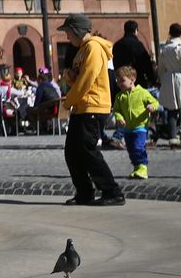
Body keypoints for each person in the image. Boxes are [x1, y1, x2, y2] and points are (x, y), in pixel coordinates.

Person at [58, 13, 124, 206]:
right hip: (83, 106)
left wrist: (68, 100)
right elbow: (80, 76)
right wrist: (70, 76)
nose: (67, 37)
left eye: (68, 32)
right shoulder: (82, 50)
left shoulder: (93, 48)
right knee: (72, 152)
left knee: (87, 150)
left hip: (93, 105)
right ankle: (85, 192)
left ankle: (112, 191)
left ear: (77, 30)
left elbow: (88, 79)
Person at [112, 65, 159, 179]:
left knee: (138, 147)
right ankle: (137, 167)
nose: (119, 83)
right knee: (131, 149)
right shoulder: (119, 97)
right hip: (127, 128)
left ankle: (143, 167)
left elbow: (155, 102)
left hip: (140, 127)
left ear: (132, 79)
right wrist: (119, 117)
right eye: (117, 81)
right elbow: (116, 110)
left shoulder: (142, 92)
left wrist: (152, 107)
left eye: (122, 80)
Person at [113, 20, 156, 88]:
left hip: (121, 81)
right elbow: (146, 63)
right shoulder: (137, 44)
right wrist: (153, 80)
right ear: (135, 30)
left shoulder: (117, 45)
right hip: (136, 81)